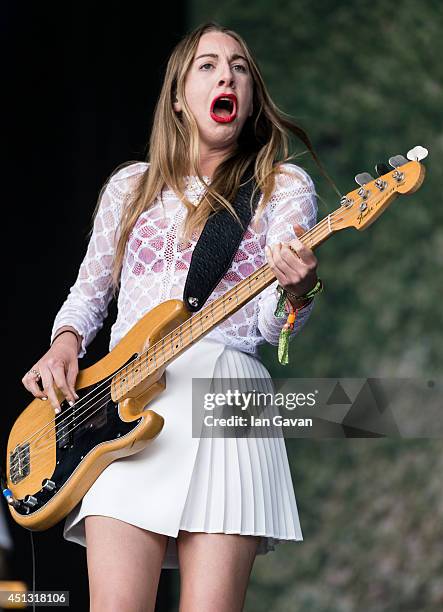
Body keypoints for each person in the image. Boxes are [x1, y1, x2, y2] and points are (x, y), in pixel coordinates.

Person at [22, 21, 321, 612]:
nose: (227, 74)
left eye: (239, 66)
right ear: (180, 97)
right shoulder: (130, 187)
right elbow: (90, 291)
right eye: (208, 65)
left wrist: (298, 291)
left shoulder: (281, 186)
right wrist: (65, 341)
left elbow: (268, 323)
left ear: (251, 97)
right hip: (122, 402)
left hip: (230, 399)